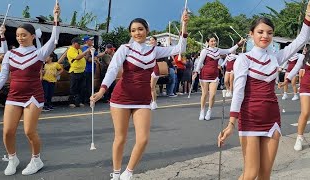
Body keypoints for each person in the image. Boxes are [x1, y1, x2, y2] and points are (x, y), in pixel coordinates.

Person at [90, 10, 189, 180]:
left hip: (143, 99)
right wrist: (102, 90)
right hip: (121, 97)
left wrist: (184, 25)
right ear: (130, 33)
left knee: (143, 139)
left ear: (147, 31)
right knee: (120, 138)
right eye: (134, 30)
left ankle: (128, 172)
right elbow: (113, 69)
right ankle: (115, 173)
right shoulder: (125, 48)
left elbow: (180, 48)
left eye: (140, 29)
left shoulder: (154, 50)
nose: (137, 32)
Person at [218, 11, 310, 179]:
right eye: (260, 32)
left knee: (265, 175)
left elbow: (302, 39)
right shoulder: (243, 59)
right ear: (251, 34)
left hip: (272, 119)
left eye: (269, 33)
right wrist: (231, 123)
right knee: (250, 174)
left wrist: (308, 15)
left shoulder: (276, 57)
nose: (265, 36)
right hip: (250, 118)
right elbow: (238, 92)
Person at [0, 3, 60, 175]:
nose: (20, 38)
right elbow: (2, 76)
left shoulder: (39, 53)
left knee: (29, 131)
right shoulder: (10, 54)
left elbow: (53, 40)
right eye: (18, 35)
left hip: (33, 96)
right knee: (7, 131)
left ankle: (36, 159)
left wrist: (56, 19)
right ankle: (13, 158)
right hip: (14, 96)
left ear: (32, 36)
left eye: (24, 35)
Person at [192, 35, 245, 121]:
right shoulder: (205, 51)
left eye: (214, 41)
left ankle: (209, 111)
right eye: (211, 41)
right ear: (208, 42)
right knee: (205, 94)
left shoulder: (218, 50)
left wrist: (239, 44)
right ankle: (202, 111)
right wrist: (196, 72)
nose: (213, 42)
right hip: (204, 74)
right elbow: (200, 62)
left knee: (212, 95)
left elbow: (229, 50)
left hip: (214, 75)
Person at [279, 47, 308, 151]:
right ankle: (299, 138)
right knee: (305, 112)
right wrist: (286, 80)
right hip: (307, 87)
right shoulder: (304, 56)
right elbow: (295, 68)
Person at [67, 37, 90, 108]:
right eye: (78, 43)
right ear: (74, 43)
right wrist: (86, 51)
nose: (80, 45)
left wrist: (88, 52)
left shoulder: (79, 50)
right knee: (74, 88)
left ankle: (78, 102)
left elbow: (85, 58)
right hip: (75, 71)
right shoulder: (71, 50)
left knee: (81, 88)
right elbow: (77, 57)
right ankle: (72, 102)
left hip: (82, 71)